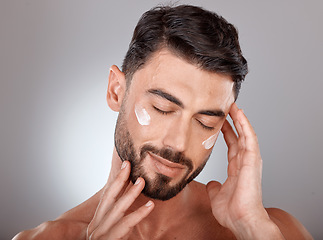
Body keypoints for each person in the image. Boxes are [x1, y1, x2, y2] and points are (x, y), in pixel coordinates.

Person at [13, 5, 312, 240]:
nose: (179, 143)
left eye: (206, 122)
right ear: (116, 91)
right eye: (162, 108)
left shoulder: (274, 231)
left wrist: (252, 229)